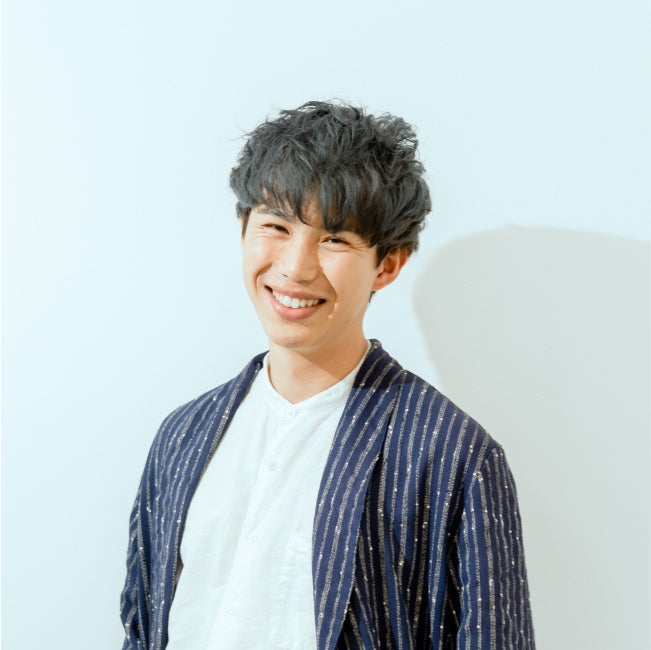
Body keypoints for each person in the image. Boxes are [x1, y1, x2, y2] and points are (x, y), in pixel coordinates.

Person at [120, 100, 535, 649]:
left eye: (335, 239)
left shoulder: (451, 455)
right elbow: (141, 629)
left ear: (387, 265)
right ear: (243, 230)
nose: (295, 267)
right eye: (276, 226)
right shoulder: (182, 435)